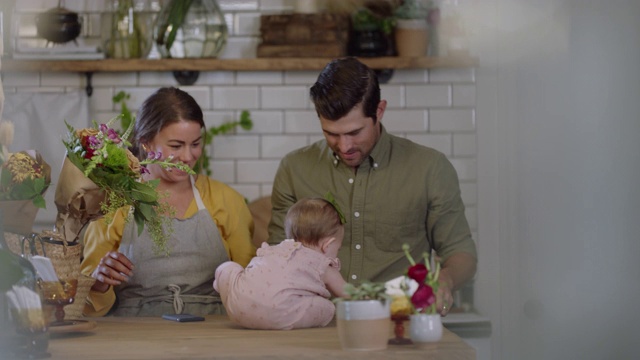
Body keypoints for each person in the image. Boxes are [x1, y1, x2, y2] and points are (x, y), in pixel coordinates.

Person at [267, 57, 478, 316]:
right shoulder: (294, 169)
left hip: (399, 323)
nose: (344, 146)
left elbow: (460, 252)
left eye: (355, 132)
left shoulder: (430, 168)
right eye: (332, 133)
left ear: (379, 111)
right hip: (314, 324)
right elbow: (278, 256)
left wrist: (445, 280)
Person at [80, 87, 256, 317]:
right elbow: (84, 306)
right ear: (145, 143)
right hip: (136, 335)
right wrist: (99, 283)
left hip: (214, 333)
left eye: (195, 144)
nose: (187, 157)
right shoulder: (114, 205)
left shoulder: (226, 200)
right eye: (176, 146)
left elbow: (250, 285)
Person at [214, 197, 346, 330]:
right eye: (338, 248)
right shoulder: (322, 264)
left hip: (239, 308)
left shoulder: (275, 250)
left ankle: (225, 287)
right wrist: (365, 295)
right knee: (328, 307)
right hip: (278, 314)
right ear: (327, 245)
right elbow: (347, 293)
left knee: (227, 267)